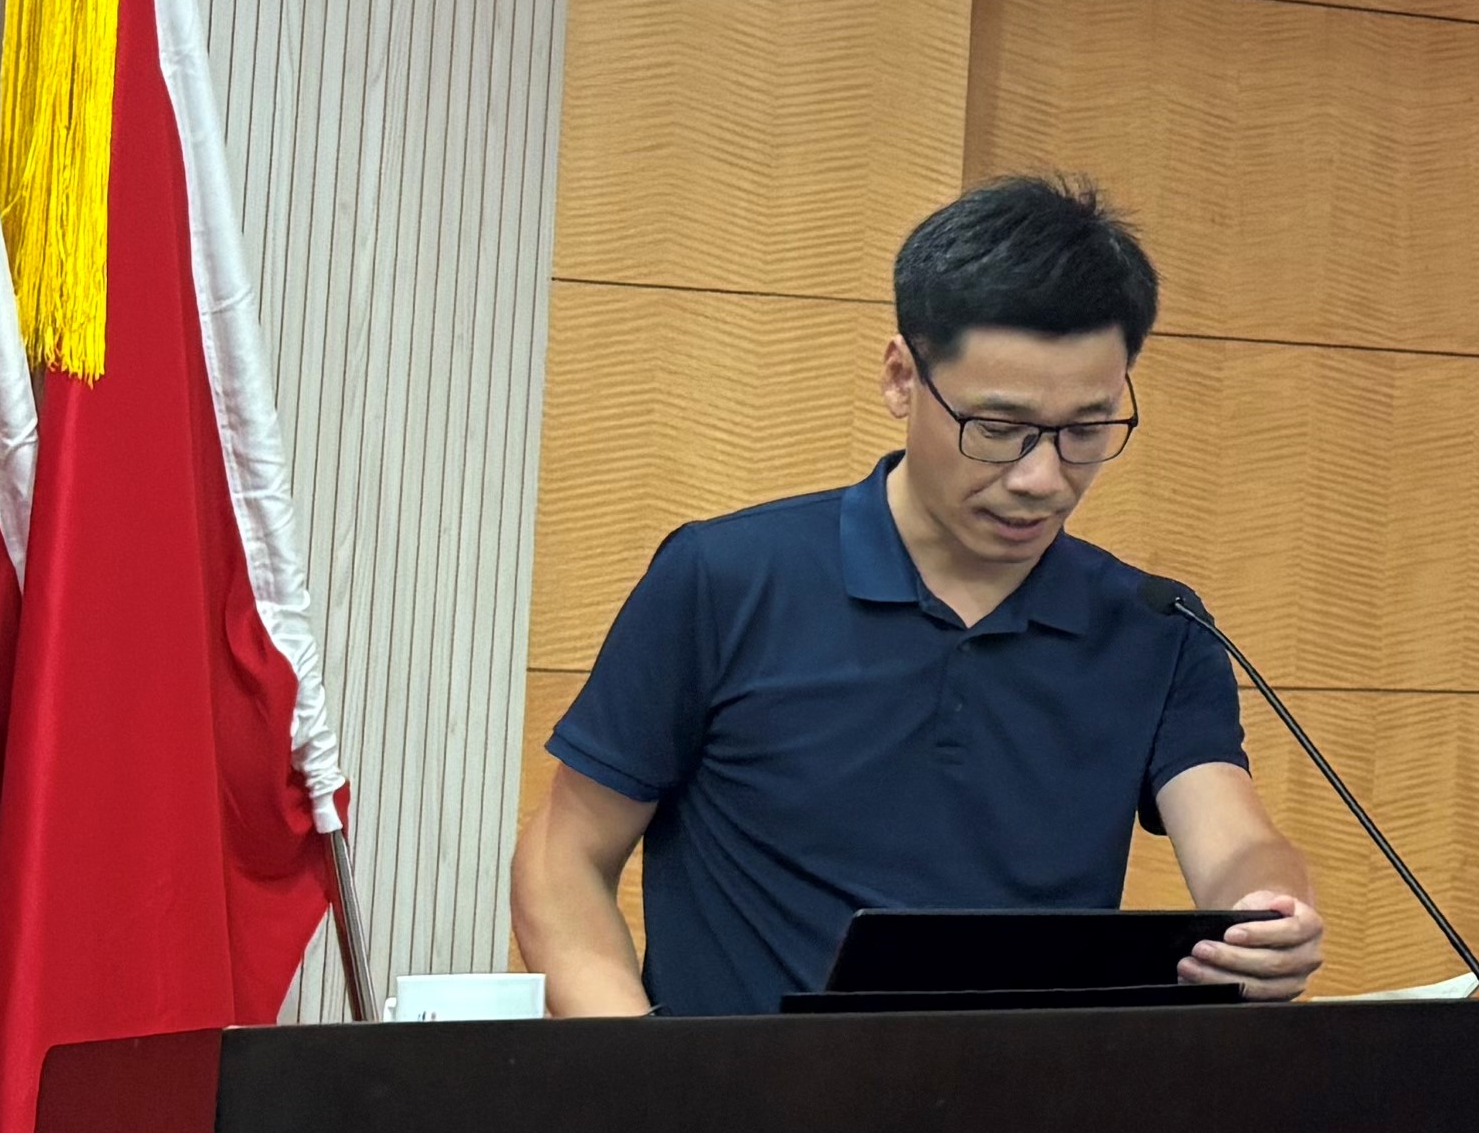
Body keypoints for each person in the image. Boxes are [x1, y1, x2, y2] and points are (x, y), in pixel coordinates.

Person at [517, 174, 1323, 1014]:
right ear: (903, 378)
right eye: (998, 429)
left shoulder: (1156, 627)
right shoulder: (725, 580)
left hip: (1030, 1093)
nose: (1042, 478)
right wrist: (647, 1064)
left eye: (1087, 430)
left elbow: (1237, 847)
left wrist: (1271, 914)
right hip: (740, 1096)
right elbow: (562, 857)